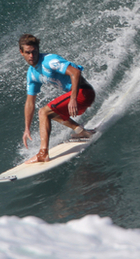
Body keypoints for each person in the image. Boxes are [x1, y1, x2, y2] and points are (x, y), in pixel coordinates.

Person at [19, 34, 95, 163]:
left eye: (34, 52)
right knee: (51, 113)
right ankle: (81, 131)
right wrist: (27, 128)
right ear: (22, 53)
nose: (31, 56)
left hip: (84, 92)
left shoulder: (49, 61)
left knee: (44, 112)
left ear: (38, 50)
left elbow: (75, 72)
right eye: (28, 53)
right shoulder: (32, 74)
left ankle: (43, 153)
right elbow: (30, 102)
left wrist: (73, 98)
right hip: (78, 96)